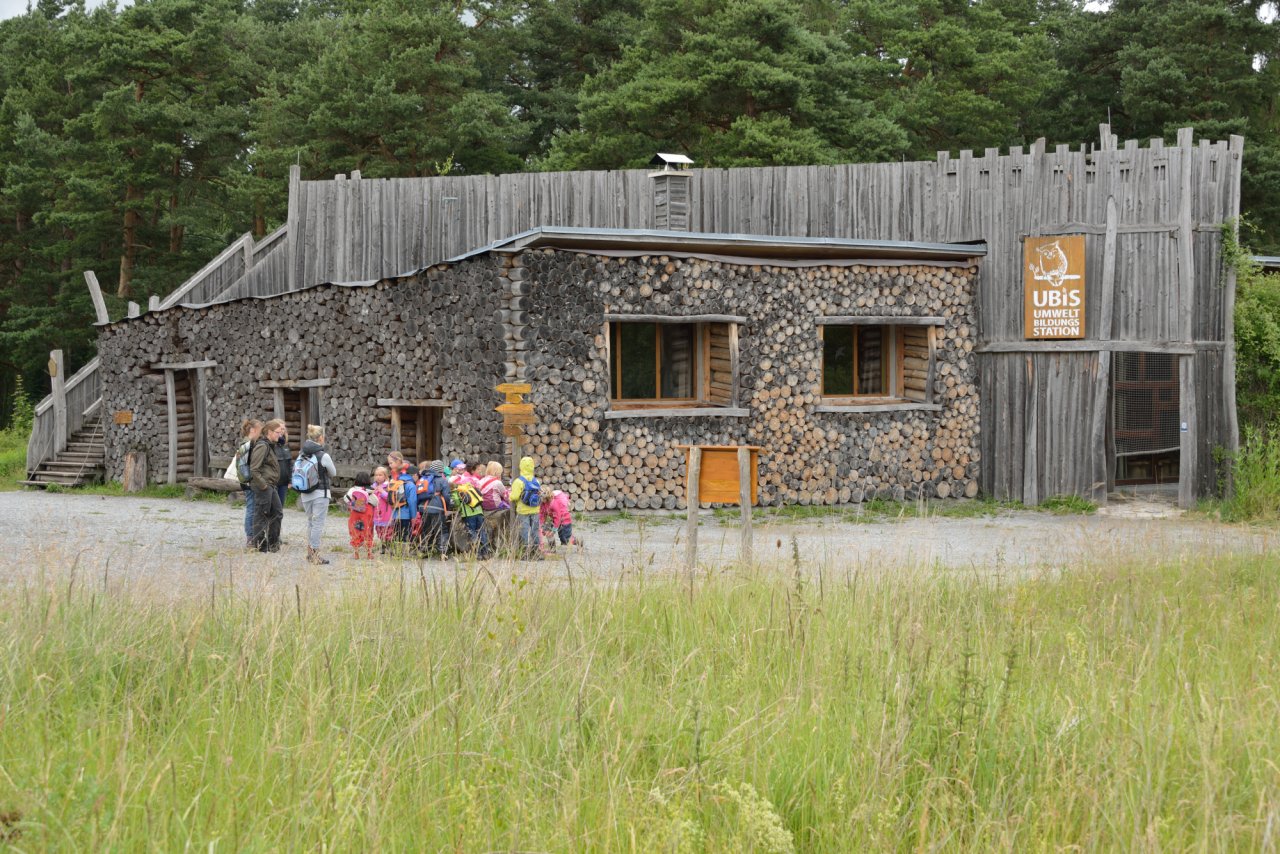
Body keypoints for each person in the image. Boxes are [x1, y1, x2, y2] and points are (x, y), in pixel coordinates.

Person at [297, 424, 337, 565]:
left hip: (305, 493)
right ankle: (314, 554)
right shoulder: (323, 455)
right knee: (318, 524)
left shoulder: (301, 454)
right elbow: (334, 473)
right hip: (320, 492)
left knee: (310, 523)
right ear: (321, 438)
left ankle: (310, 552)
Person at [249, 419, 286, 552]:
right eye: (277, 432)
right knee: (262, 514)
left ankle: (273, 543)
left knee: (277, 512)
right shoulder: (263, 446)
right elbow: (254, 469)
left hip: (270, 485)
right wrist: (263, 485)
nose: (280, 435)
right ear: (269, 432)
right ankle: (260, 544)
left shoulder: (270, 445)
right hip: (264, 485)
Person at [450, 459, 489, 559]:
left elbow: (457, 500)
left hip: (468, 513)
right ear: (472, 470)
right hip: (479, 511)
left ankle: (478, 554)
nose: (479, 472)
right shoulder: (476, 481)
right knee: (481, 531)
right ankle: (486, 553)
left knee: (472, 532)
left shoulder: (459, 481)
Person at [509, 456, 543, 558]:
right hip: (535, 509)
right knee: (535, 530)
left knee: (524, 531)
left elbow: (514, 497)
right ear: (532, 467)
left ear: (521, 467)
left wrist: (509, 496)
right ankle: (537, 552)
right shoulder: (536, 481)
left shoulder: (519, 481)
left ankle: (525, 553)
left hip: (523, 511)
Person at [236, 419, 262, 549]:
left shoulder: (245, 443)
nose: (261, 432)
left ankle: (253, 536)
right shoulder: (249, 445)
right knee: (252, 509)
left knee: (252, 508)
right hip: (249, 481)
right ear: (252, 430)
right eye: (259, 430)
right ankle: (250, 538)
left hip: (246, 481)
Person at [418, 460, 452, 556]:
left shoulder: (424, 478)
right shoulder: (442, 480)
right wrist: (447, 507)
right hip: (437, 508)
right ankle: (442, 552)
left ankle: (424, 550)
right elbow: (446, 496)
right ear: (441, 470)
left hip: (423, 508)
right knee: (441, 529)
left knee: (426, 529)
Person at [344, 472, 378, 560]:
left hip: (355, 512)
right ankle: (369, 553)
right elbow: (376, 501)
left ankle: (356, 553)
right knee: (368, 531)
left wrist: (355, 503)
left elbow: (346, 498)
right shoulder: (370, 490)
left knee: (356, 530)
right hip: (367, 513)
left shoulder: (353, 490)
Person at [389, 460, 418, 548]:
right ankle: (404, 553)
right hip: (406, 515)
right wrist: (413, 517)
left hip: (395, 515)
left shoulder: (396, 482)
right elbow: (412, 502)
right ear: (414, 475)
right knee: (405, 535)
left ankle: (395, 552)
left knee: (397, 534)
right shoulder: (411, 485)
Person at [371, 466, 393, 545]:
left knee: (387, 531)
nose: (378, 477)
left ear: (385, 476)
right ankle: (383, 544)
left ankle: (388, 545)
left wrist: (382, 492)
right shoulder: (373, 487)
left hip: (386, 513)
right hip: (376, 513)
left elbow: (390, 499)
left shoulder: (388, 486)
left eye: (380, 475)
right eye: (376, 475)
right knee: (378, 530)